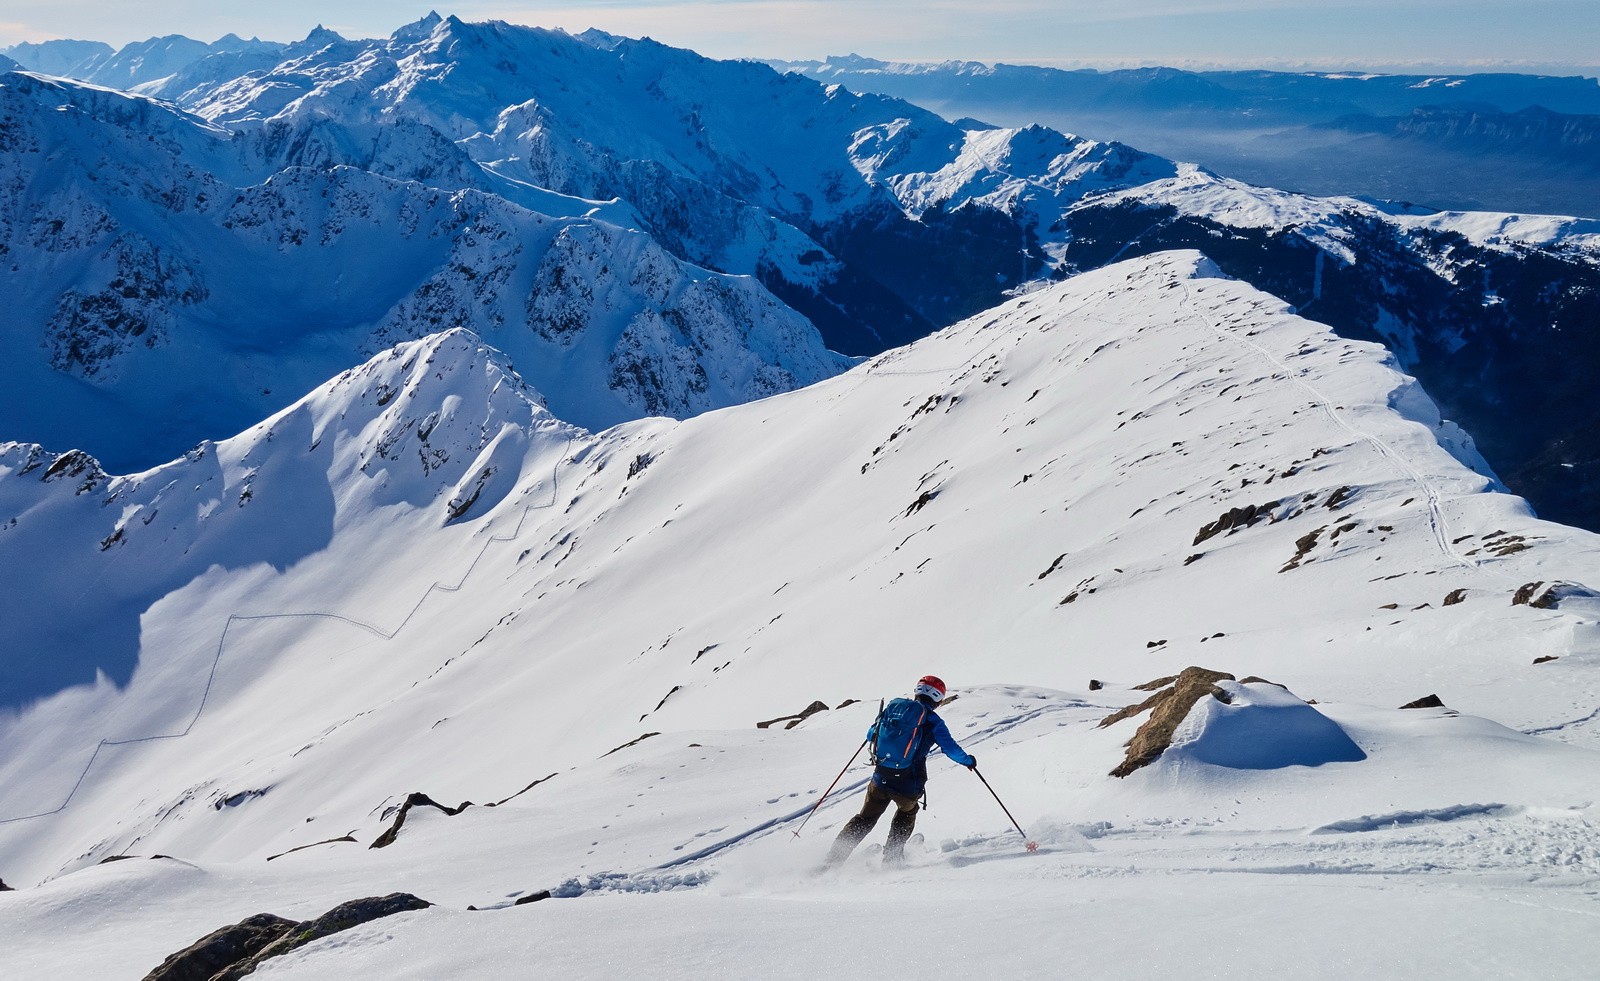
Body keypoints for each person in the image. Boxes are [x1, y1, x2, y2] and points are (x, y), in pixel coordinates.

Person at [822, 674, 975, 869]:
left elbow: (871, 734)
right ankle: (892, 858)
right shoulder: (934, 722)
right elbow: (951, 749)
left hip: (880, 777)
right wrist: (968, 761)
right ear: (938, 698)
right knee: (907, 811)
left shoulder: (895, 711)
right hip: (908, 781)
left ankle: (833, 859)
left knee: (865, 818)